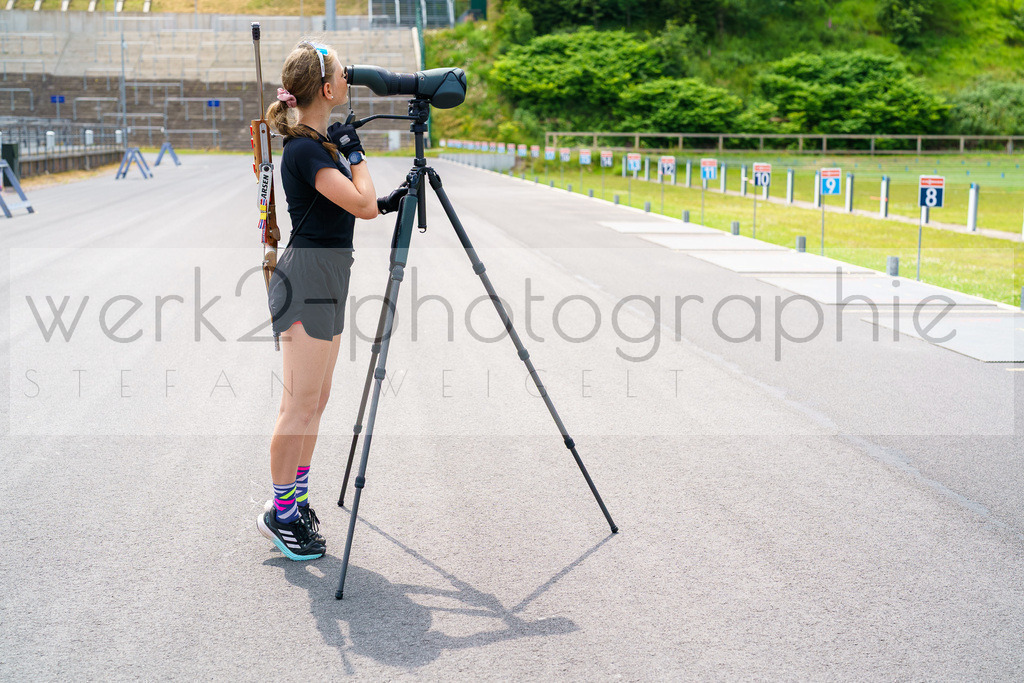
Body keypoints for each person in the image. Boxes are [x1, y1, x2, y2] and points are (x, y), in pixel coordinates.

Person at [256, 40, 407, 561]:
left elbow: (351, 207)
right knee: (298, 406)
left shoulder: (319, 145)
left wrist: (385, 199)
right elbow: (360, 204)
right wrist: (358, 157)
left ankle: (295, 502)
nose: (349, 79)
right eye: (343, 73)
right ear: (325, 88)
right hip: (308, 281)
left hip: (328, 276)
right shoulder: (304, 149)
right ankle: (280, 513)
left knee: (314, 403)